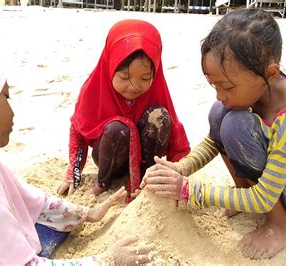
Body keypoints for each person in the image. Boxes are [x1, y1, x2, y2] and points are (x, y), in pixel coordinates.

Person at [0, 53, 153, 265]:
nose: (12, 112)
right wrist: (106, 260)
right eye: (5, 97)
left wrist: (87, 214)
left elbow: (29, 201)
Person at [141, 9, 286, 260]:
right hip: (281, 177)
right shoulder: (254, 90)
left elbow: (264, 197)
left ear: (270, 74)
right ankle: (241, 192)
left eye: (227, 86)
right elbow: (215, 141)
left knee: (235, 125)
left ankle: (281, 224)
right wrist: (181, 169)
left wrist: (189, 190)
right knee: (220, 113)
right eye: (215, 85)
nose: (219, 94)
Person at [57, 19, 190, 199]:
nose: (134, 87)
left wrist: (180, 171)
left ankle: (145, 178)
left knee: (160, 117)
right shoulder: (94, 88)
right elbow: (78, 131)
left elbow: (175, 138)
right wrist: (73, 172)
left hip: (145, 158)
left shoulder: (157, 90)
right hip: (111, 156)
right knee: (117, 129)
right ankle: (102, 183)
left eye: (144, 78)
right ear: (110, 66)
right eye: (125, 77)